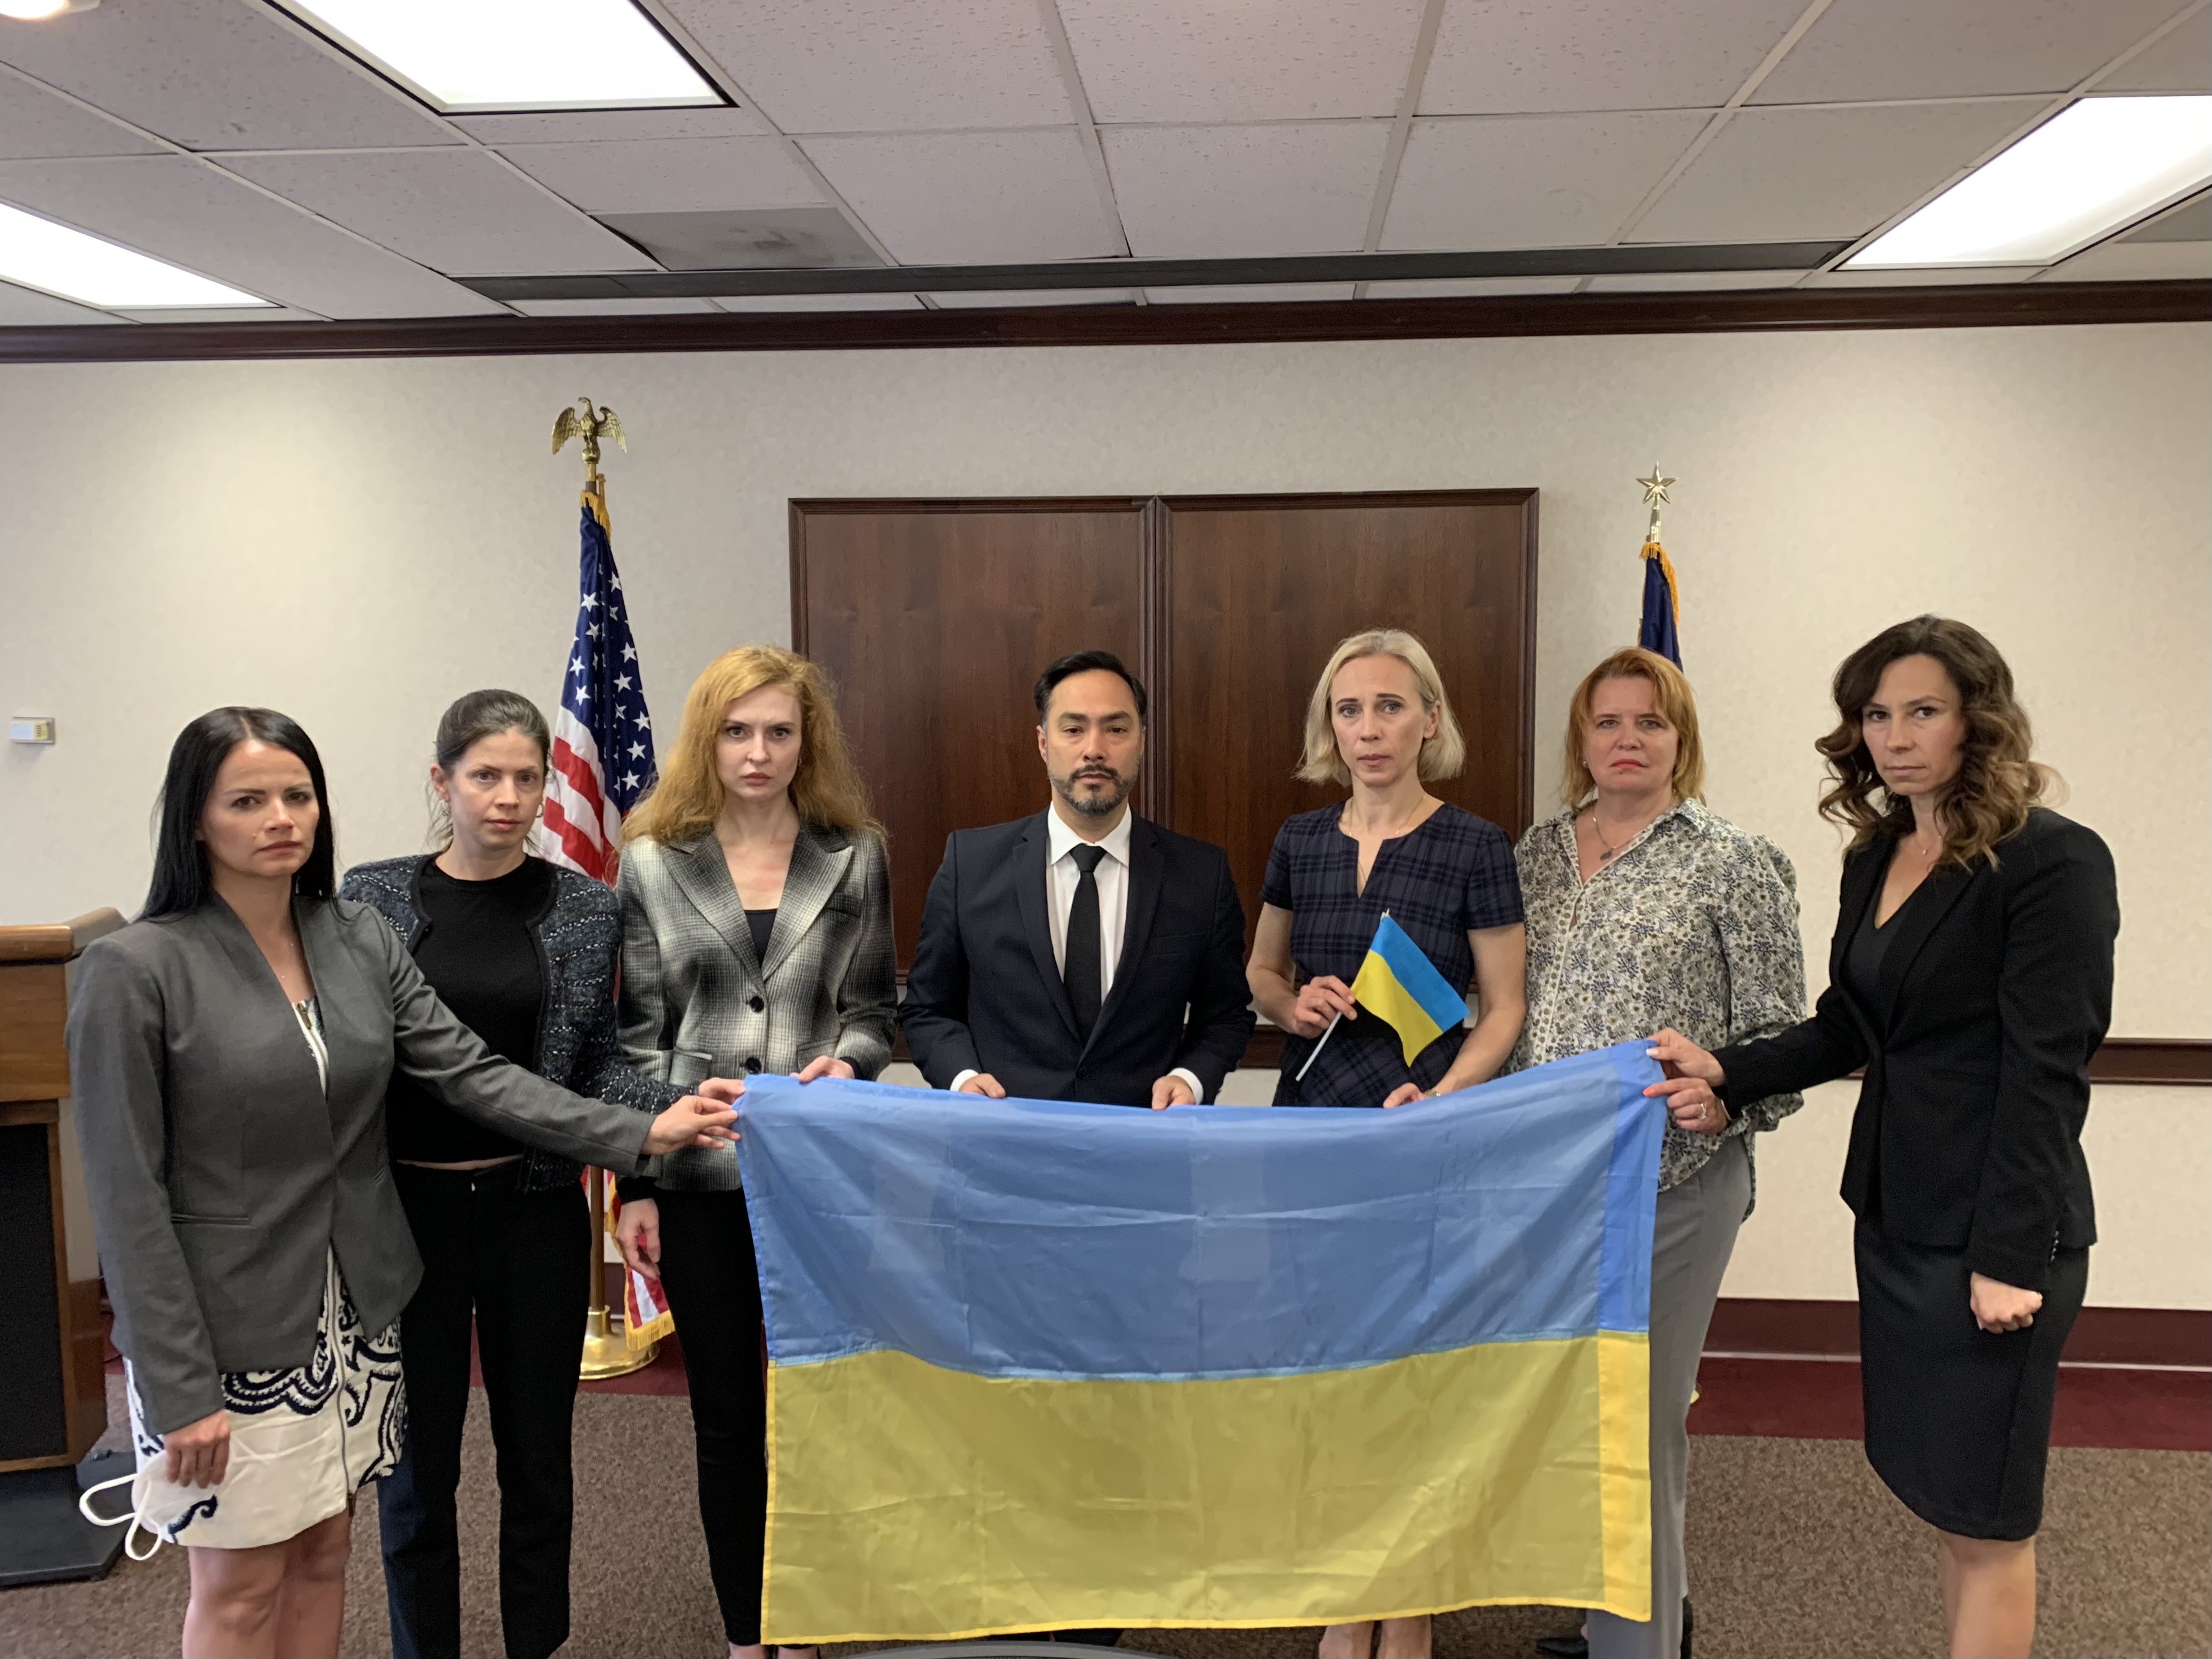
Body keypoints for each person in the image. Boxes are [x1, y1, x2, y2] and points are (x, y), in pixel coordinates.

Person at [66, 707, 738, 1659]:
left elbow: (475, 1074)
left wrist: (644, 1130)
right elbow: (128, 1199)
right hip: (229, 1330)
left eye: (297, 795)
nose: (280, 818)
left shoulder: (352, 936)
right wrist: (173, 1385)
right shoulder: (132, 968)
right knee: (240, 1582)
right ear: (194, 818)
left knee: (326, 1552)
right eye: (246, 800)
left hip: (355, 1311)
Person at [1650, 617, 2118, 1659]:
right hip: (1899, 1212)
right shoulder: (1879, 852)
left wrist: (2009, 1257)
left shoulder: (2054, 862)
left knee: (1990, 1517)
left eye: (1923, 711)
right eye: (1875, 714)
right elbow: (1854, 1023)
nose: (1895, 736)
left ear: (1977, 721)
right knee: (1946, 1504)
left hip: (1995, 1238)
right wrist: (1729, 1066)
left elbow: (2048, 1075)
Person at [339, 691, 711, 1659]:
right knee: (416, 1472)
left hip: (534, 1208)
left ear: (549, 785)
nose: (507, 797)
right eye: (484, 776)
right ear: (442, 782)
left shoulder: (588, 906)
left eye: (526, 777)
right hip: (405, 1214)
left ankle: (534, 1645)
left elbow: (598, 1064)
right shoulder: (369, 899)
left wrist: (670, 1125)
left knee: (538, 1461)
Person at [1510, 649, 1806, 1659]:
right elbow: (1507, 1012)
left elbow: (1779, 1033)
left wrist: (1727, 1100)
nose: (1627, 739)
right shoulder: (1535, 854)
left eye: (1651, 722)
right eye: (1607, 722)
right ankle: (1617, 1617)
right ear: (1579, 739)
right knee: (1579, 1412)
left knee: (1639, 1419)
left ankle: (1641, 1646)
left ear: (1683, 738)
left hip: (1674, 1181)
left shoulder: (1734, 859)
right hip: (1551, 1185)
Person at [1241, 627, 1525, 1659]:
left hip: (1423, 1135)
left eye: (1391, 706)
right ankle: (1344, 1589)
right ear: (1331, 725)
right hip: (1313, 1132)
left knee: (1412, 1371)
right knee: (1331, 1367)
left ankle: (1407, 1601)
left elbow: (1504, 1010)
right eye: (1350, 708)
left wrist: (1443, 1101)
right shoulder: (1299, 837)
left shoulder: (1476, 844)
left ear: (1431, 720)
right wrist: (1293, 1000)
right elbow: (1260, 976)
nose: (1369, 728)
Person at [609, 645, 897, 1659]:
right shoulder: (651, 857)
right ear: (708, 739)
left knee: (821, 1406)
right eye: (738, 730)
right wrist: (637, 1182)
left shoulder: (854, 852)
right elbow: (637, 1034)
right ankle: (748, 1628)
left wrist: (849, 1068)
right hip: (697, 1175)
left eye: (780, 730)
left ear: (805, 740)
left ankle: (810, 1610)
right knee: (726, 1417)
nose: (759, 751)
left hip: (820, 1178)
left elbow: (873, 1011)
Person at [901, 647, 1257, 1112]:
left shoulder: (1200, 874)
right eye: (1073, 729)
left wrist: (1191, 1079)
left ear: (1142, 740)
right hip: (1001, 1149)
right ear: (1043, 742)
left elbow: (1226, 1015)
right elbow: (927, 1009)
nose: (1094, 748)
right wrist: (963, 1078)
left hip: (1146, 1150)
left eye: (1116, 728)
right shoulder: (969, 864)